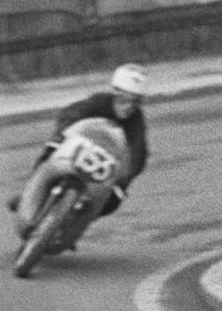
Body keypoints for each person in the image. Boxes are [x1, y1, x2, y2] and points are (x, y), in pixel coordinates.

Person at [9, 64, 150, 235]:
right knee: (48, 153)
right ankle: (27, 194)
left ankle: (77, 222)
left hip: (104, 167)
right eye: (123, 99)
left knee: (115, 199)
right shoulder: (99, 102)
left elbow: (139, 150)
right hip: (77, 149)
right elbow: (71, 113)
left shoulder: (136, 120)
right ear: (114, 93)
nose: (128, 106)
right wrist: (62, 134)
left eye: (135, 102)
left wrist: (126, 174)